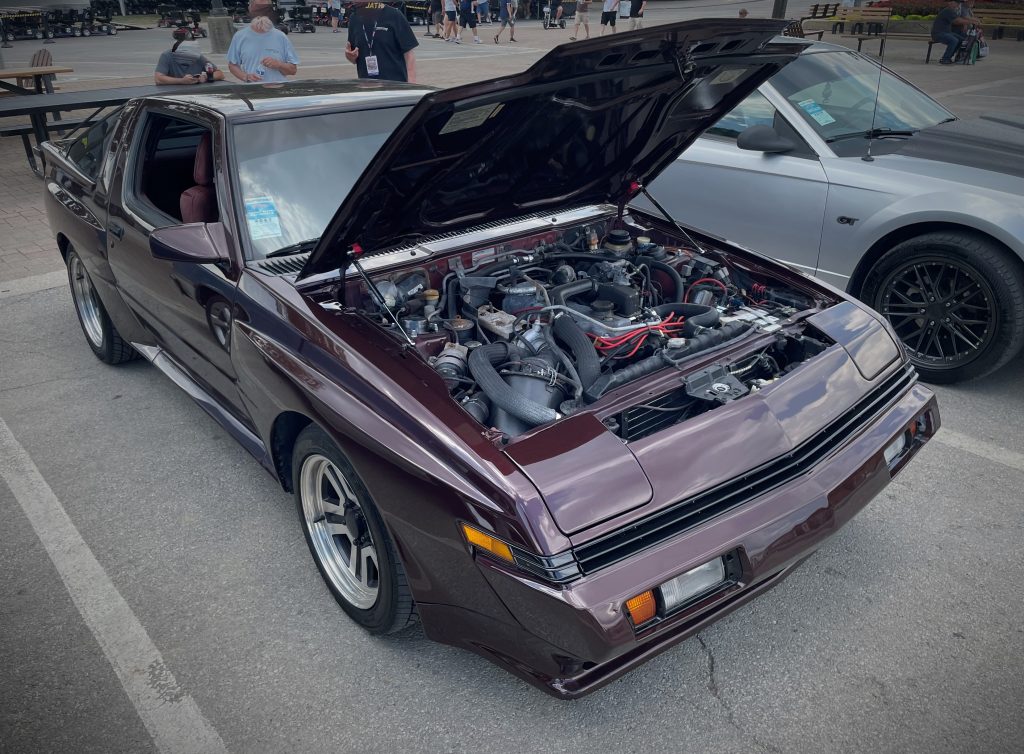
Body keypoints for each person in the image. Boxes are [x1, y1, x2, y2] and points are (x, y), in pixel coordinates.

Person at [344, 1, 419, 81]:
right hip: (367, 87)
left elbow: (409, 55)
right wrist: (349, 56)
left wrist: (411, 86)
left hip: (395, 86)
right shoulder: (354, 19)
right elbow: (354, 57)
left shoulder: (395, 15)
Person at [227, 2, 300, 83]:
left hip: (278, 89)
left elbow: (293, 70)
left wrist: (279, 65)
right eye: (257, 17)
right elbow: (232, 65)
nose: (260, 21)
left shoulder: (281, 36)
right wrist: (246, 77)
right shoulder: (239, 36)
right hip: (252, 90)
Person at [155, 27, 225, 85]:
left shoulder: (198, 57)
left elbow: (220, 74)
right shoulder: (167, 56)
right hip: (173, 93)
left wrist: (205, 77)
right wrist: (181, 81)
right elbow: (158, 79)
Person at [931, 0, 972, 64]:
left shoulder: (952, 11)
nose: (958, 5)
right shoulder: (948, 10)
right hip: (938, 33)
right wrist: (971, 22)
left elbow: (959, 19)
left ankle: (949, 57)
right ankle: (945, 59)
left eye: (959, 3)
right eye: (957, 3)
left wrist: (967, 22)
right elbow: (957, 21)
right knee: (954, 40)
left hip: (946, 32)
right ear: (951, 3)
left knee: (961, 40)